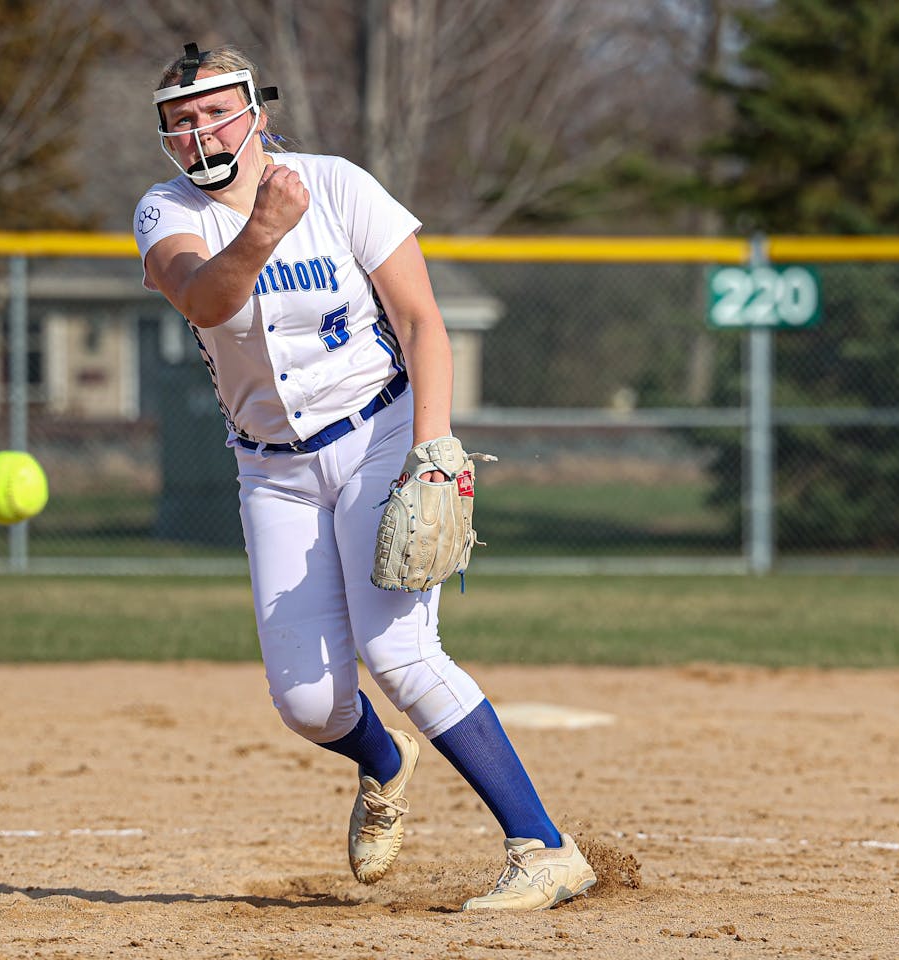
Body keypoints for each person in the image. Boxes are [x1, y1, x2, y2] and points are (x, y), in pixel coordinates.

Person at [134, 42, 597, 911]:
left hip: (378, 432)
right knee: (308, 703)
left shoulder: (336, 183)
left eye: (217, 111)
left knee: (398, 649)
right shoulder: (165, 212)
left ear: (257, 112)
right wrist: (263, 227)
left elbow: (422, 322)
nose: (201, 133)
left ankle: (543, 847)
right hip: (271, 469)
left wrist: (432, 449)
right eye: (181, 121)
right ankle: (384, 764)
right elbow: (203, 301)